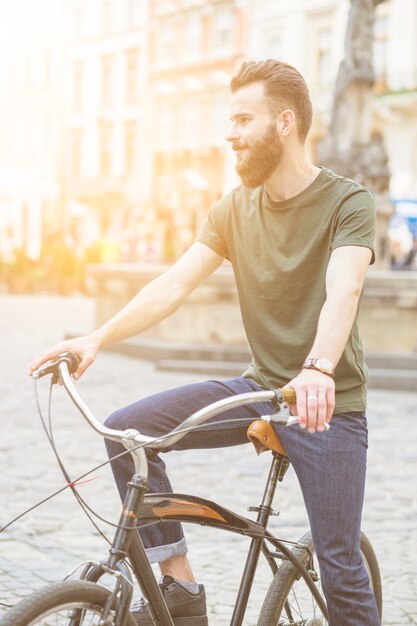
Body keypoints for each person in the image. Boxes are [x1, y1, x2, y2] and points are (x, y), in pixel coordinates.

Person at [30, 60, 380, 626]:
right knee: (129, 435)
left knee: (339, 564)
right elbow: (173, 284)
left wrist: (317, 369)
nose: (229, 133)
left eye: (244, 119)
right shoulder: (234, 209)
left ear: (285, 123)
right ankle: (182, 587)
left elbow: (347, 287)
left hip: (325, 404)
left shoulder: (348, 203)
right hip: (262, 387)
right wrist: (96, 336)